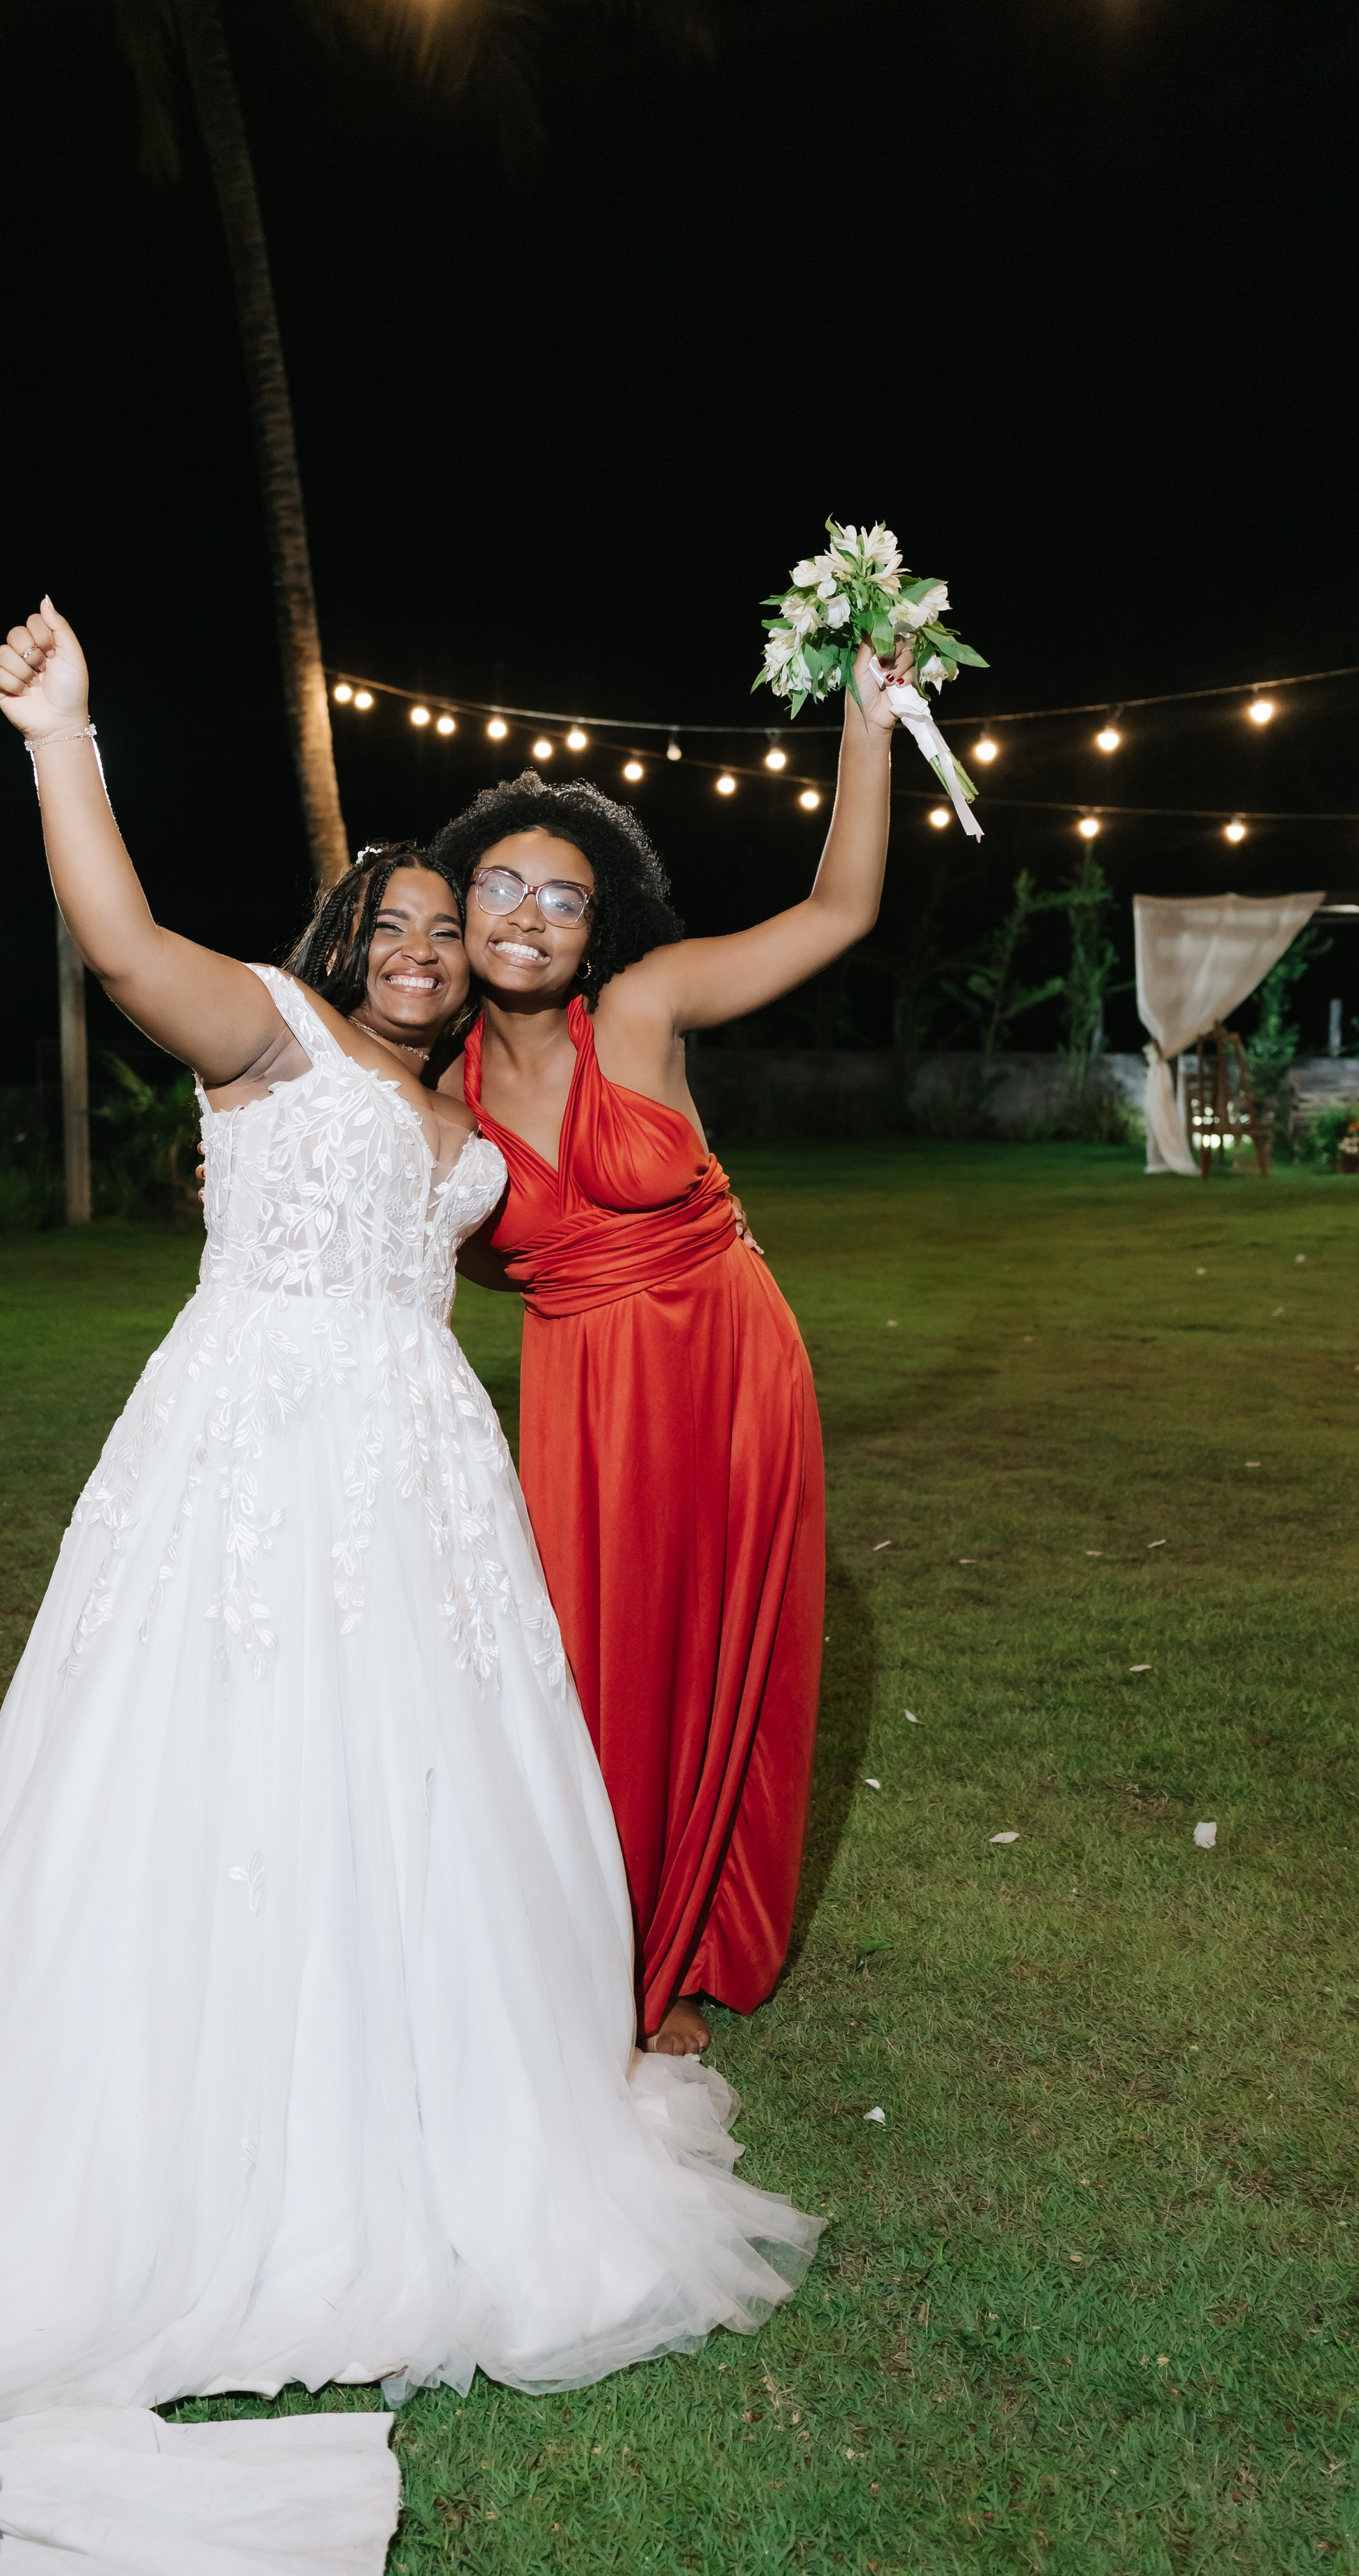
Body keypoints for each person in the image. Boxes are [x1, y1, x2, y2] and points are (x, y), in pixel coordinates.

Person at [0, 602, 822, 2576]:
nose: (433, 948)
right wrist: (65, 741)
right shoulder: (264, 1030)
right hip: (250, 1473)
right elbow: (116, 943)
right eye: (405, 923)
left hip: (427, 1497)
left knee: (421, 1807)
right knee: (210, 1792)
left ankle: (419, 2126)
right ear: (349, 938)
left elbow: (607, 1247)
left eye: (460, 931)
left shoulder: (474, 1137)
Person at [432, 639, 903, 2060]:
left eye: (561, 896)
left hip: (727, 1362)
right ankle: (591, 1941)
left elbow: (837, 910)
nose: (526, 915)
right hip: (581, 1392)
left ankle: (681, 1945)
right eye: (500, 886)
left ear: (597, 925)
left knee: (716, 1645)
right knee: (586, 1658)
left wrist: (865, 727)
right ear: (454, 906)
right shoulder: (424, 1079)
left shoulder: (638, 1012)